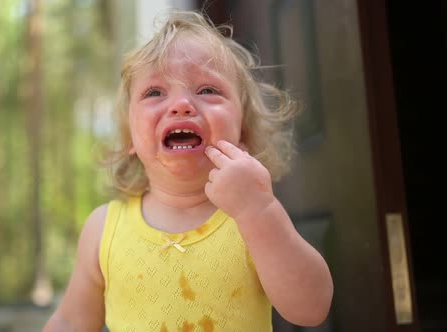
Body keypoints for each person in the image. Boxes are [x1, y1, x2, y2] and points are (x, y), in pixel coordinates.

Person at [43, 10, 333, 332]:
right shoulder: (103, 229)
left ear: (244, 134)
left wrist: (259, 211)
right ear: (130, 139)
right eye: (155, 92)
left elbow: (312, 308)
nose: (181, 105)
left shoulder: (254, 219)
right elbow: (71, 321)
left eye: (207, 90)